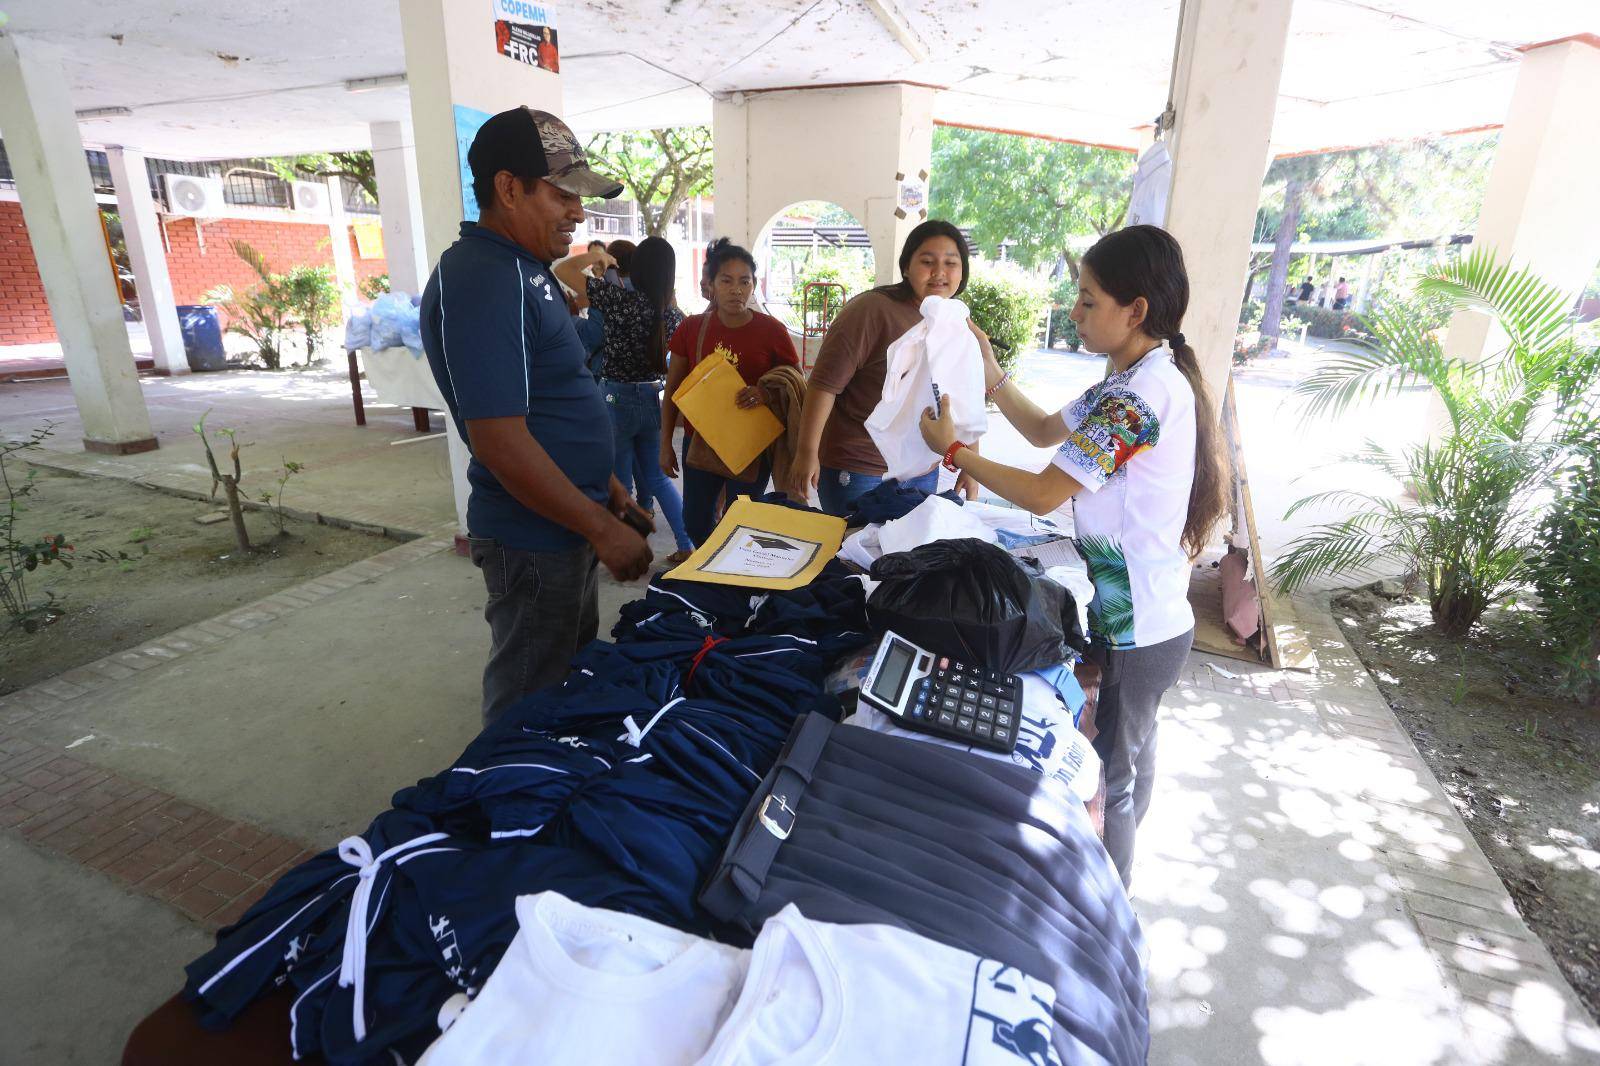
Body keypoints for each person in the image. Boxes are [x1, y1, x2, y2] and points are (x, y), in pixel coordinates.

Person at [916, 225, 1228, 889]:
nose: (1076, 313)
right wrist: (988, 364)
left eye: (1088, 302)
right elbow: (1040, 429)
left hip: (1139, 628)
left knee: (1112, 782)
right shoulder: (1135, 376)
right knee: (1131, 762)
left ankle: (1109, 912)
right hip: (1146, 618)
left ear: (1135, 310)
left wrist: (954, 451)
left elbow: (1041, 488)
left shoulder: (1136, 399)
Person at [419, 106, 652, 726]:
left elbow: (549, 400)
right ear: (509, 188)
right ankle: (501, 806)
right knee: (529, 697)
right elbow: (498, 438)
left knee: (563, 682)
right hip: (532, 536)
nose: (578, 211)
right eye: (563, 194)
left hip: (564, 521)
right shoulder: (485, 279)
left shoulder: (524, 272)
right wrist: (603, 531)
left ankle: (542, 793)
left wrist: (603, 488)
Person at [788, 220, 980, 514]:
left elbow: (965, 394)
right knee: (854, 556)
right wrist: (806, 453)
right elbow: (824, 385)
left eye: (951, 263)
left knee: (903, 557)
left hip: (921, 468)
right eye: (927, 261)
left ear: (962, 271)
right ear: (906, 267)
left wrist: (971, 460)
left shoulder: (954, 318)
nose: (940, 272)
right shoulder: (872, 311)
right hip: (860, 468)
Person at [554, 237, 696, 564]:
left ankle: (627, 551)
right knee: (658, 479)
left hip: (615, 398)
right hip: (652, 398)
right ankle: (686, 544)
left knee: (618, 482)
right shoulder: (673, 315)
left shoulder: (618, 300)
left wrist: (598, 255)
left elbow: (563, 270)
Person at [661, 238, 800, 545]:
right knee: (694, 522)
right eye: (726, 280)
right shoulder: (692, 328)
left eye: (744, 281)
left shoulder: (772, 331)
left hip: (750, 444)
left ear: (754, 284)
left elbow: (793, 383)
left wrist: (765, 394)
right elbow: (673, 389)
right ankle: (713, 568)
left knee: (741, 523)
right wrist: (665, 443)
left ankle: (730, 581)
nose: (736, 289)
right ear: (710, 284)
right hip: (700, 442)